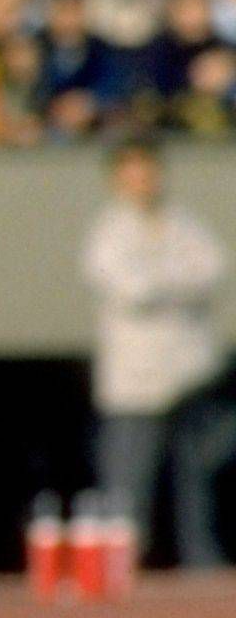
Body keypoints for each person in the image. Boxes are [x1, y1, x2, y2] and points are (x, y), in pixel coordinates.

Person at [82, 139, 229, 566]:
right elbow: (133, 289)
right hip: (136, 383)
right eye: (132, 173)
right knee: (129, 483)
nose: (143, 182)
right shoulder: (108, 232)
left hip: (190, 377)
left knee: (197, 479)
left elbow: (211, 269)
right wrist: (176, 284)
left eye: (149, 171)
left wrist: (164, 282)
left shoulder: (183, 224)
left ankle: (201, 560)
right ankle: (121, 566)